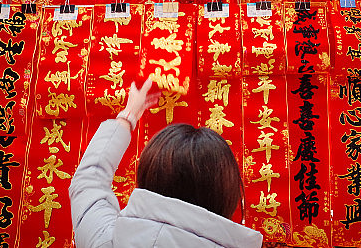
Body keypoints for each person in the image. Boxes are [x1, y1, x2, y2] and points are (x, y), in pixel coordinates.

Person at [70, 78, 263, 248]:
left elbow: (88, 182)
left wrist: (128, 116)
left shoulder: (107, 240)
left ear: (148, 175)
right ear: (228, 193)